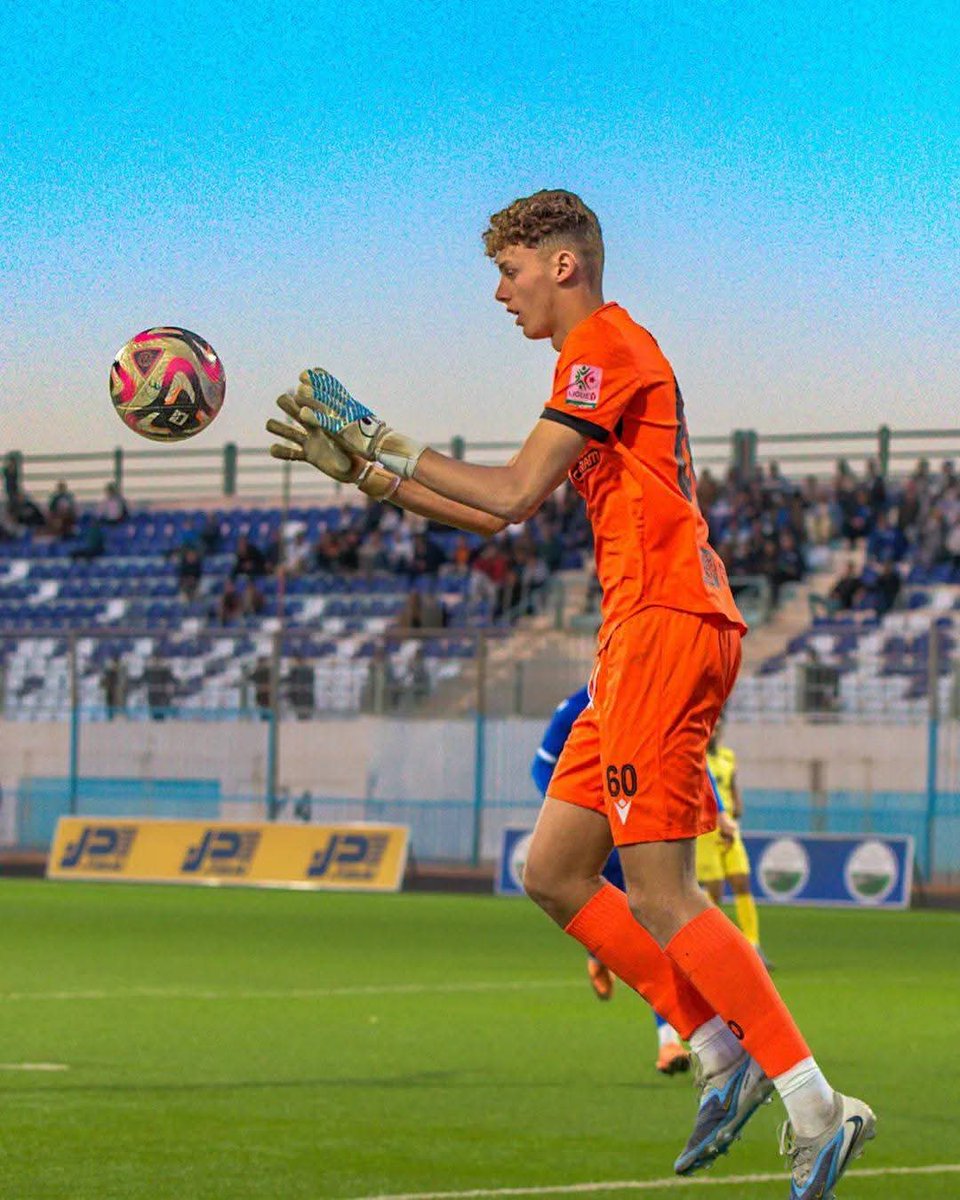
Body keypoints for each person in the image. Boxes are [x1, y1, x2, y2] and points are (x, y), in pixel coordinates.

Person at [266, 189, 874, 1196]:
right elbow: (500, 520)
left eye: (508, 271)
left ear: (562, 263)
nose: (500, 294)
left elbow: (507, 492)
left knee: (663, 891)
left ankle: (817, 1104)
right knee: (553, 869)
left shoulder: (606, 345)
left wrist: (383, 439)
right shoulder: (584, 363)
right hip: (631, 638)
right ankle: (722, 1058)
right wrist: (372, 480)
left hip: (665, 629)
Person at [531, 683, 742, 1075]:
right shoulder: (576, 708)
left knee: (662, 933)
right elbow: (541, 765)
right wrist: (574, 812)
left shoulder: (653, 700)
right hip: (597, 836)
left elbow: (688, 757)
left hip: (641, 828)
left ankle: (672, 1041)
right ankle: (602, 954)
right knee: (642, 925)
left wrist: (721, 814)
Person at [698, 722, 770, 968]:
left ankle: (753, 943)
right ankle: (708, 945)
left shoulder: (728, 757)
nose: (714, 731)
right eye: (711, 727)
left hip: (728, 824)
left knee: (741, 880)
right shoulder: (695, 757)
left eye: (718, 727)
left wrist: (737, 804)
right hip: (705, 829)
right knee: (714, 890)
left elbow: (731, 784)